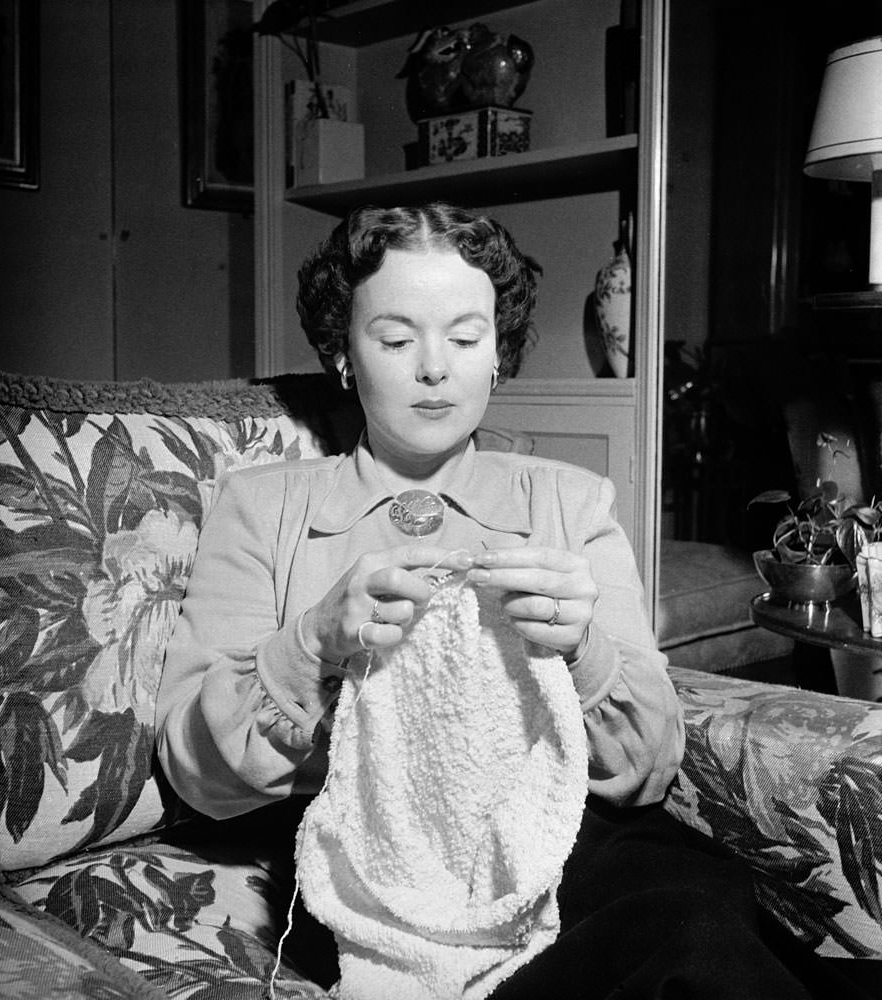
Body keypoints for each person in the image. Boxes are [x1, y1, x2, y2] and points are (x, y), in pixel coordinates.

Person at [155, 203, 851, 999]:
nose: (433, 367)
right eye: (393, 338)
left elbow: (647, 771)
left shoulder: (571, 503)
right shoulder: (263, 507)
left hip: (564, 841)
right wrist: (314, 643)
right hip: (373, 859)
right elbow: (192, 771)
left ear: (498, 355)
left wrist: (581, 652)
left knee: (705, 921)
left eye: (464, 337)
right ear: (344, 355)